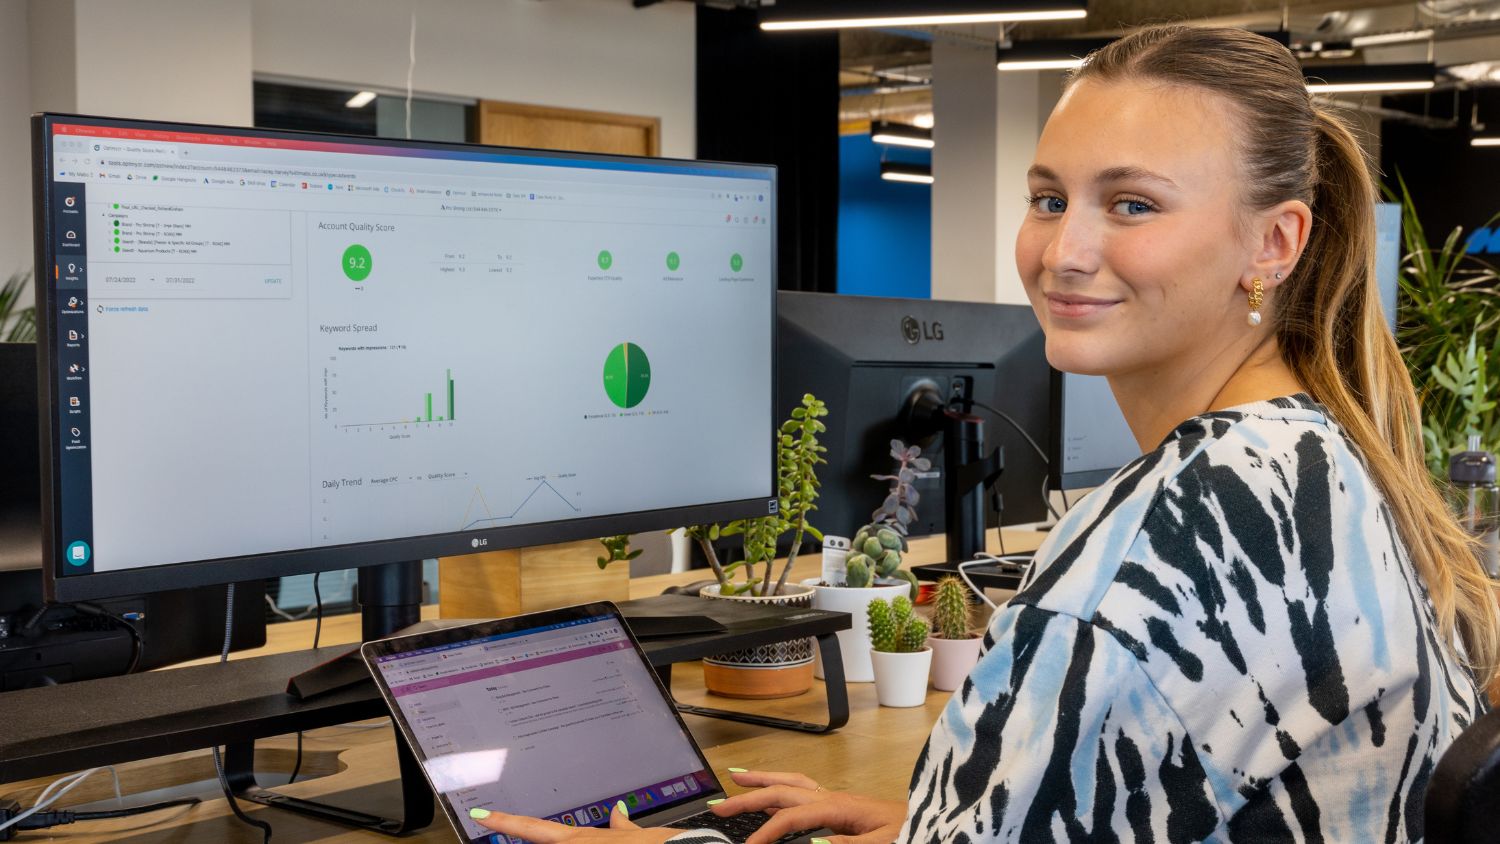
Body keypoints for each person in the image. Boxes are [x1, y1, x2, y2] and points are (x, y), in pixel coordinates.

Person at [473, 24, 1497, 843]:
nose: (1065, 249)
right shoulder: (1328, 460)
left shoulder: (1167, 542)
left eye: (1132, 203)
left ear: (1274, 243)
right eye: (1048, 198)